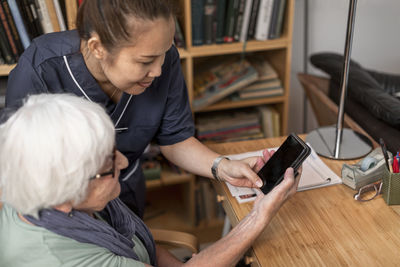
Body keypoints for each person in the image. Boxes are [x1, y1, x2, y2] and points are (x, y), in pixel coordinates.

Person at [5, 0, 265, 218]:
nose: (159, 70)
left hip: (126, 194)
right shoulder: (41, 69)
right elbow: (22, 171)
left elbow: (175, 139)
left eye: (164, 52)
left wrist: (222, 166)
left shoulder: (163, 59)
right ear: (98, 48)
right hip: (61, 212)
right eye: (145, 61)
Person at [0, 93, 299, 266]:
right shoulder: (71, 260)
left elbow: (145, 246)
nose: (125, 162)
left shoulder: (32, 190)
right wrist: (260, 216)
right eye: (108, 164)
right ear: (64, 195)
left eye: (114, 150)